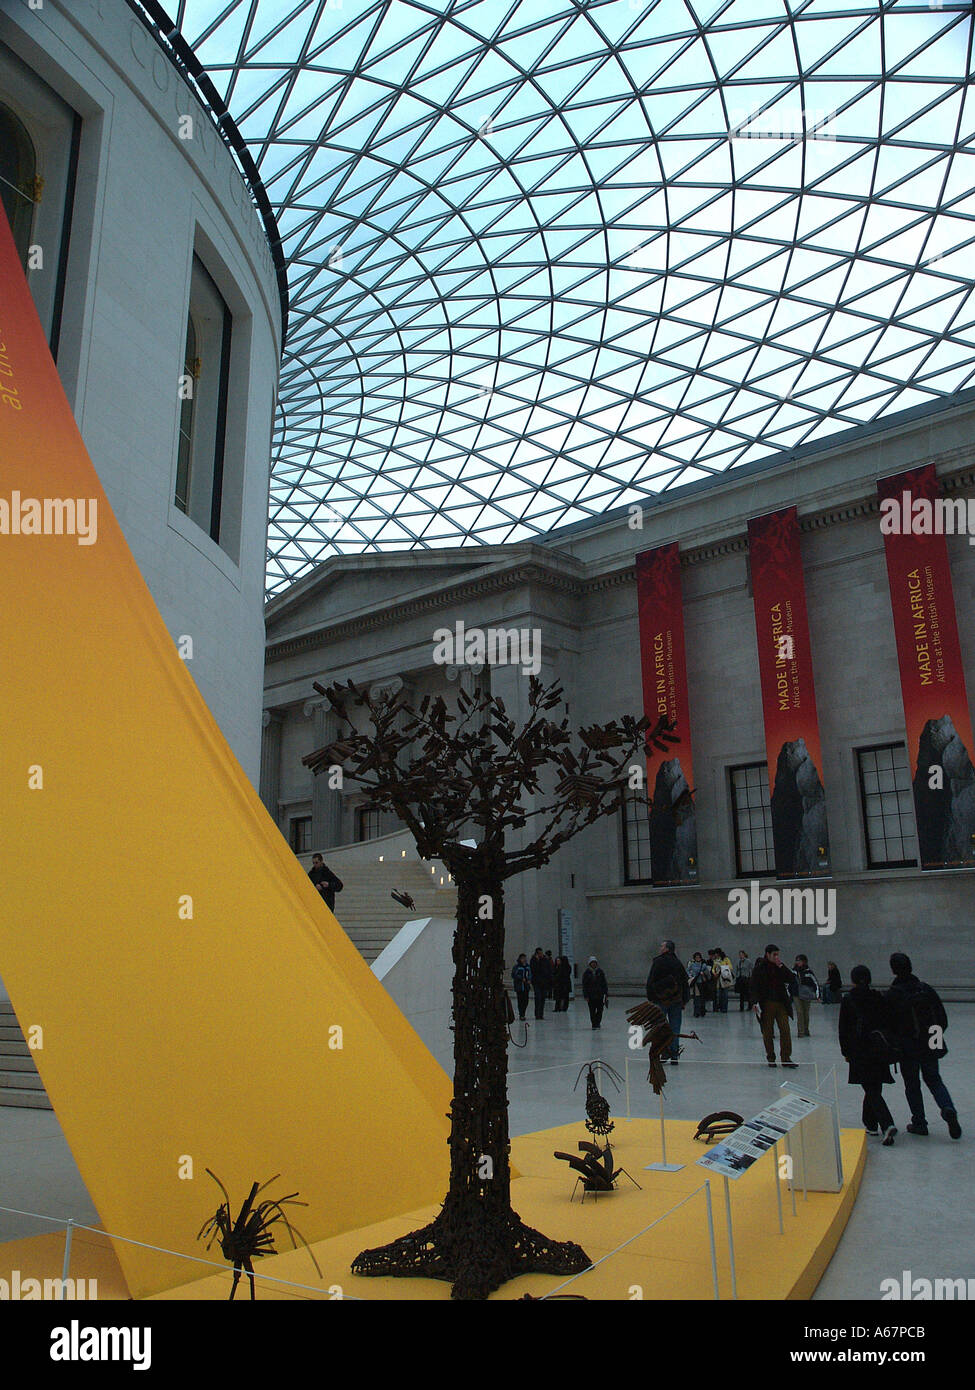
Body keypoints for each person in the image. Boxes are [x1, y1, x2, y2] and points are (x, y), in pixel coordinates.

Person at [886, 952, 961, 1139]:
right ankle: (948, 1108)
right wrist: (935, 1037)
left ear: (893, 969)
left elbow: (889, 1024)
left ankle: (919, 1123)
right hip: (930, 1040)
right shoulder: (925, 988)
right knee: (935, 1080)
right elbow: (942, 1019)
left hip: (908, 1045)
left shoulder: (893, 994)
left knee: (912, 1084)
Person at [838, 964, 898, 1144]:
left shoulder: (849, 999)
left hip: (859, 1050)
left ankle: (887, 1124)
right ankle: (871, 1125)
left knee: (870, 1089)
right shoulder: (878, 997)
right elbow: (888, 1022)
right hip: (878, 1048)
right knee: (874, 1086)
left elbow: (843, 1029)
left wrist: (845, 1052)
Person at [750, 944, 798, 1068]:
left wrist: (781, 966)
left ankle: (786, 1058)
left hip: (781, 1003)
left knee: (785, 1030)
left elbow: (792, 978)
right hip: (766, 1004)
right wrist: (755, 1002)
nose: (776, 957)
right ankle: (771, 1057)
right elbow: (754, 987)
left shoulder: (780, 967)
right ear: (767, 954)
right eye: (774, 955)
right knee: (768, 1032)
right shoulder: (759, 969)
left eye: (778, 954)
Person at [646, 940, 690, 1064]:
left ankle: (663, 1053)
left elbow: (651, 981)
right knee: (675, 1028)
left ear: (666, 949)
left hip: (661, 1001)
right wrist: (684, 1000)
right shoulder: (677, 963)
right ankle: (674, 1055)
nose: (660, 948)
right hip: (676, 1001)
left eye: (662, 946)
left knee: (660, 1028)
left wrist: (651, 997)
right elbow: (684, 982)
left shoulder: (658, 962)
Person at [792, 954, 820, 1038]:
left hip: (806, 995)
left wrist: (818, 995)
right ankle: (801, 1032)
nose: (798, 962)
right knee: (800, 1012)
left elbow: (815, 983)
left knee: (806, 1013)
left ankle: (806, 1029)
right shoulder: (793, 971)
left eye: (799, 961)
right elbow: (788, 982)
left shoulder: (809, 972)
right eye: (797, 961)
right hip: (796, 994)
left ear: (804, 962)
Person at [582, 956, 609, 1029]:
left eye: (595, 963)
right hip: (591, 995)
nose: (593, 964)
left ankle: (598, 1022)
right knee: (592, 1011)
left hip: (600, 995)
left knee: (600, 1010)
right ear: (590, 964)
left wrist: (606, 993)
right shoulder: (587, 973)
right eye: (592, 963)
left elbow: (604, 983)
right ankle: (594, 1024)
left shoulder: (600, 972)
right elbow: (584, 985)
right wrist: (586, 995)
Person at [530, 947, 552, 1020]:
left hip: (544, 982)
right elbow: (534, 970)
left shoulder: (546, 960)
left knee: (543, 998)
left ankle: (541, 1014)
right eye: (539, 953)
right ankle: (537, 1014)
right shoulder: (533, 960)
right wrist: (537, 961)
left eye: (541, 953)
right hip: (536, 982)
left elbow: (549, 970)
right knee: (538, 998)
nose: (541, 954)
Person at [687, 951, 709, 1019]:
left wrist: (704, 974)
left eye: (699, 957)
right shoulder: (692, 965)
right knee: (697, 998)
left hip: (702, 982)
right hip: (696, 983)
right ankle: (696, 1012)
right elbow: (687, 970)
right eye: (696, 957)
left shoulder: (704, 965)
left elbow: (708, 974)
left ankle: (702, 1011)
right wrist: (691, 976)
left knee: (702, 998)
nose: (698, 959)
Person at [713, 946, 734, 1013]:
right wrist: (714, 973)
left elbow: (730, 967)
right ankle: (720, 1006)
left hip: (724, 978)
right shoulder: (715, 960)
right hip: (718, 979)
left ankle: (724, 1008)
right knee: (719, 995)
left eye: (716, 953)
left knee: (725, 994)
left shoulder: (726, 959)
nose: (715, 955)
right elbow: (713, 968)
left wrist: (722, 967)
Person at [512, 953, 531, 1021]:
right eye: (523, 958)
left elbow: (530, 974)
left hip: (526, 987)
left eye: (525, 958)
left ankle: (523, 1012)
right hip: (519, 987)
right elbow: (514, 975)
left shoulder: (527, 966)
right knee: (520, 1001)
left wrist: (529, 979)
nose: (524, 960)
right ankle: (521, 1014)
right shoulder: (516, 967)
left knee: (526, 1001)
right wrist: (521, 978)